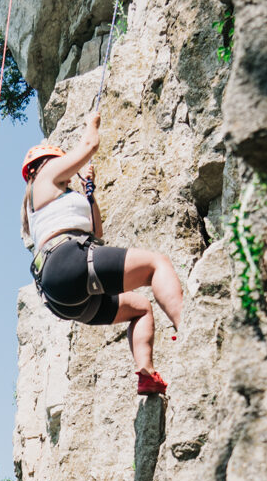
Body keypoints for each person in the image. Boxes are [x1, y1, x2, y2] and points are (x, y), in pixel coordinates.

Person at [21, 112, 183, 395]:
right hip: (67, 260)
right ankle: (188, 327)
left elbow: (97, 232)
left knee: (140, 308)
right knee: (158, 264)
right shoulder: (44, 176)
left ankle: (146, 375)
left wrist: (88, 193)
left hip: (63, 296)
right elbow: (88, 147)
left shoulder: (47, 202)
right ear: (41, 165)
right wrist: (91, 123)